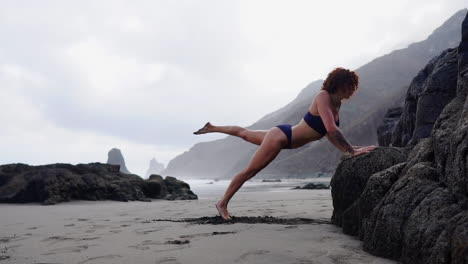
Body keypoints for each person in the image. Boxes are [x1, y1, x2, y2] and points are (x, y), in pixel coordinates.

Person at [193, 67, 377, 220]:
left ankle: (212, 127)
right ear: (338, 83)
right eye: (349, 85)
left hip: (284, 134)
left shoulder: (337, 104)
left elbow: (328, 133)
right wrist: (352, 151)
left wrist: (351, 149)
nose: (352, 89)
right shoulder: (323, 96)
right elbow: (330, 129)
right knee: (250, 171)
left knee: (244, 133)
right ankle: (222, 204)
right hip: (281, 138)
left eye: (354, 85)